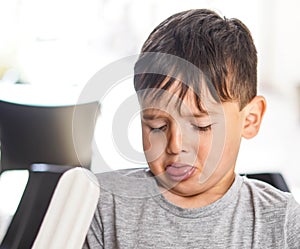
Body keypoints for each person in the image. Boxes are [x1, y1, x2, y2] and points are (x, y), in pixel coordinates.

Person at [83, 9, 300, 248]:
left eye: (200, 126)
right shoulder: (102, 205)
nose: (175, 145)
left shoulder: (282, 222)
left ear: (250, 120)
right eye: (157, 125)